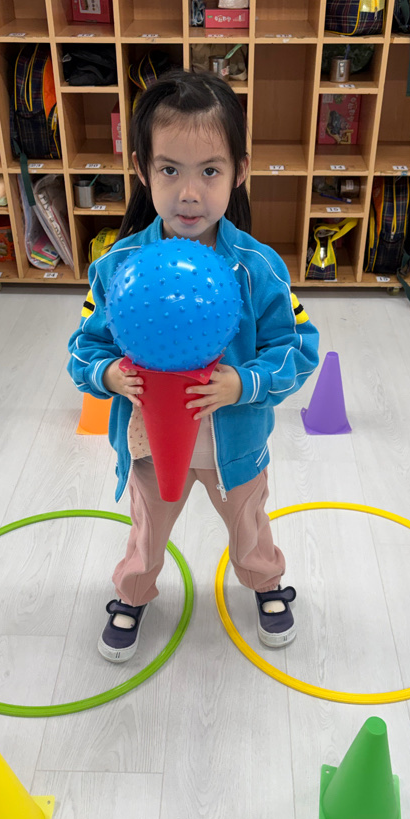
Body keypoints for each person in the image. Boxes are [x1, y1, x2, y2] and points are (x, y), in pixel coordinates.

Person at [68, 69, 319, 662]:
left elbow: (298, 347)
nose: (188, 193)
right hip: (149, 442)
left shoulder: (259, 267)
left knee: (249, 525)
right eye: (169, 170)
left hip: (234, 445)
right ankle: (133, 593)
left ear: (239, 172)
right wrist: (108, 375)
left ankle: (265, 582)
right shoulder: (118, 267)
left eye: (209, 171)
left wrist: (244, 383)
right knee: (147, 528)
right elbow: (83, 347)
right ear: (142, 171)